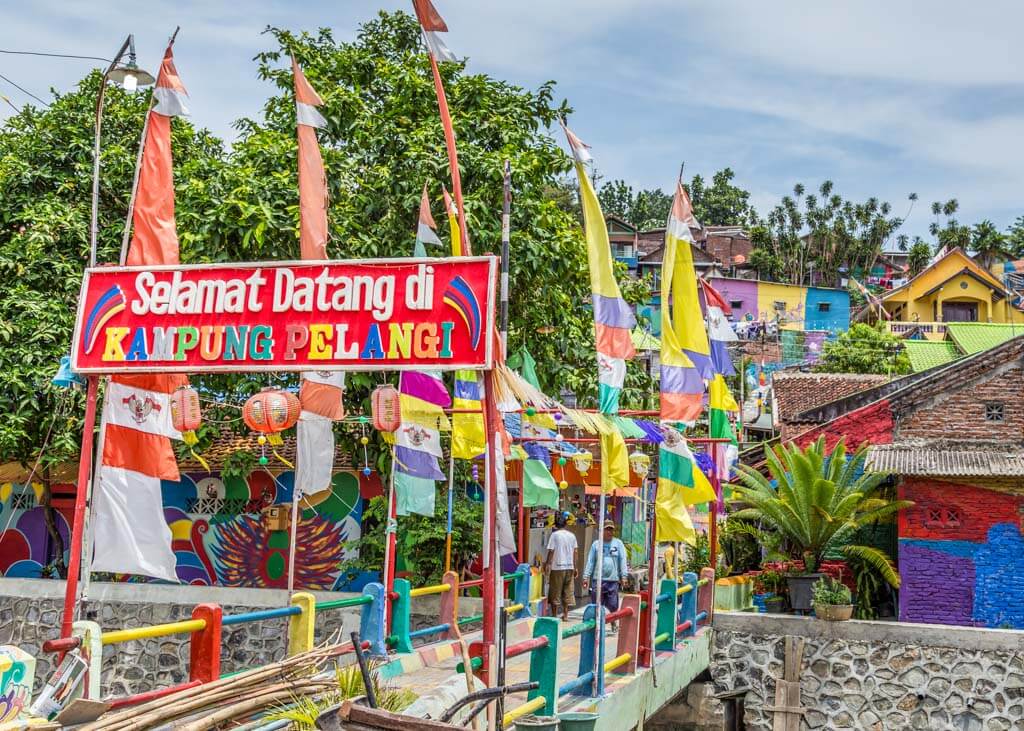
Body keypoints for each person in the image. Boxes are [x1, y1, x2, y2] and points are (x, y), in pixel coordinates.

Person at [582, 522, 629, 632]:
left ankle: (613, 621)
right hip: (597, 580)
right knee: (596, 604)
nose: (610, 532)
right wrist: (586, 577)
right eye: (607, 529)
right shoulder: (596, 544)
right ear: (602, 531)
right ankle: (596, 625)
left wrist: (624, 576)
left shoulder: (618, 544)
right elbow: (590, 561)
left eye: (611, 530)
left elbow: (622, 560)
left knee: (613, 605)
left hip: (612, 580)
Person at [543, 512, 578, 621]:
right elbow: (575, 552)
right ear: (565, 524)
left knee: (555, 591)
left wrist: (547, 564)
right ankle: (566, 615)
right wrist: (575, 567)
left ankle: (554, 615)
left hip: (557, 567)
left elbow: (551, 551)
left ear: (555, 525)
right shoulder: (572, 535)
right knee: (567, 591)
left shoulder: (554, 535)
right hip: (569, 567)